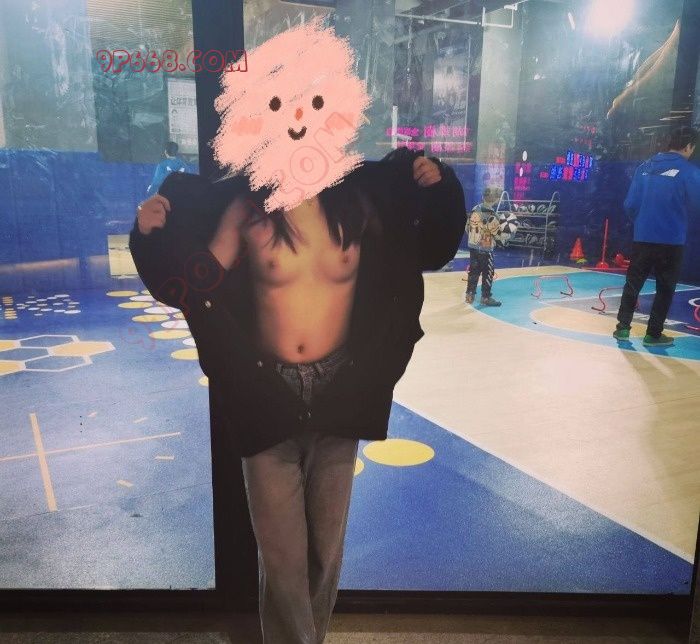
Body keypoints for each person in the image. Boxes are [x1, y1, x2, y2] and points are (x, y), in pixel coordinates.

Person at [130, 19, 466, 644]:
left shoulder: (362, 201)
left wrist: (438, 189)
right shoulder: (244, 207)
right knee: (282, 558)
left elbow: (426, 248)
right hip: (266, 396)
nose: (297, 119)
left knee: (324, 552)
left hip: (343, 394)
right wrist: (152, 237)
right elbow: (197, 281)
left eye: (312, 103)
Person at [614, 125, 700, 346]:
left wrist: (644, 222)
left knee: (633, 283)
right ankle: (653, 335)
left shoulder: (644, 167)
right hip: (671, 241)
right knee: (665, 288)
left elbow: (630, 204)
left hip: (642, 238)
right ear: (689, 146)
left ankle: (622, 328)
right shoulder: (688, 171)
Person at [465, 186, 503, 306]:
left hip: (473, 247)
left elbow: (467, 227)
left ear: (483, 197)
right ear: (496, 199)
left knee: (473, 271)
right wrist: (506, 236)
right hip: (486, 250)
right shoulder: (493, 215)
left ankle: (470, 295)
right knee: (488, 273)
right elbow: (497, 234)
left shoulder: (474, 209)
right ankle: (486, 297)